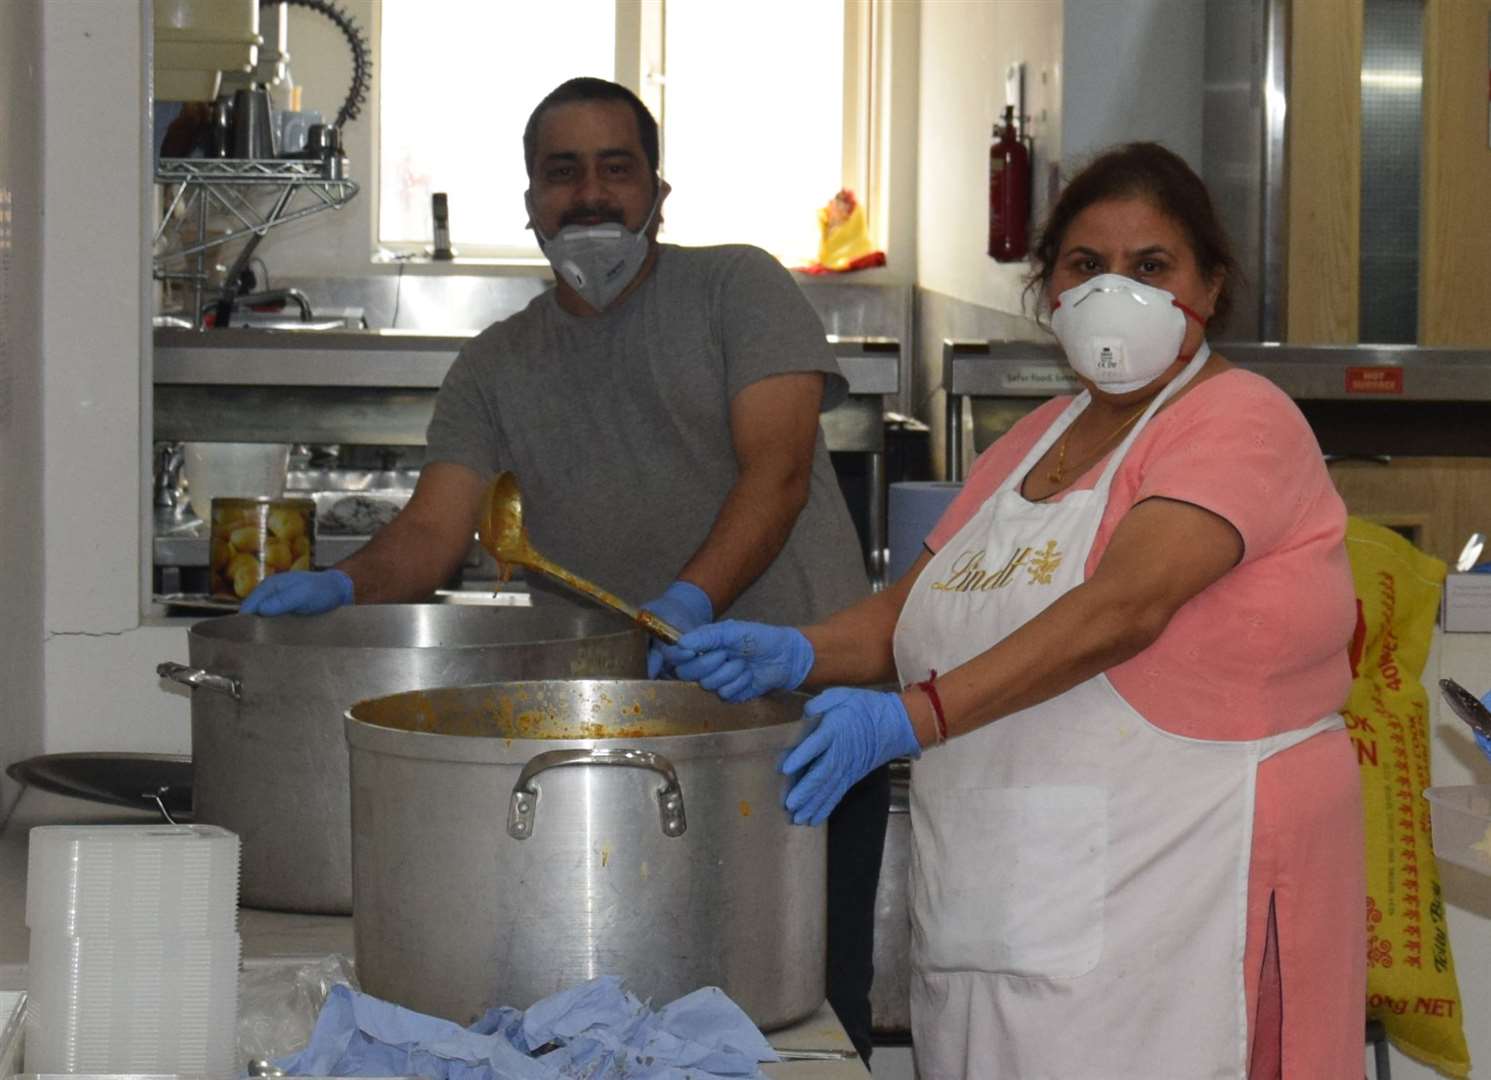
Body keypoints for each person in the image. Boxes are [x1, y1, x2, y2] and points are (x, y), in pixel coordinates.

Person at [662, 142, 1366, 1078]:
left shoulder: (1239, 420)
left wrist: (912, 716)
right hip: (1003, 910)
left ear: (1211, 283)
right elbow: (912, 611)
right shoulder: (1039, 437)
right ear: (1047, 290)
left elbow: (1124, 605)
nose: (1115, 291)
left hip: (1177, 895)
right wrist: (795, 651)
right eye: (1085, 265)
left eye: (1150, 266)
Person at [237, 77, 888, 1061]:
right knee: (616, 1023)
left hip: (799, 724)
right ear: (532, 201)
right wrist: (343, 585)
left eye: (615, 168)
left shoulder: (737, 288)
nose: (590, 195)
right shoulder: (495, 367)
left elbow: (780, 473)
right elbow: (431, 535)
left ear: (658, 192)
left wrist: (681, 606)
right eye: (563, 172)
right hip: (630, 747)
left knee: (799, 1020)